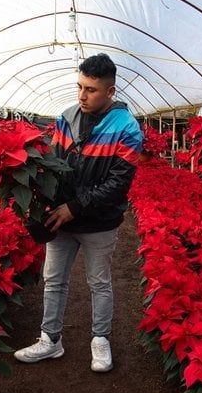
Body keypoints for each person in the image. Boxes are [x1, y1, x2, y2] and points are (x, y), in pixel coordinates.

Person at [14, 53, 144, 372]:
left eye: (91, 90)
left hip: (99, 222)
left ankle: (100, 340)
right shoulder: (66, 117)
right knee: (54, 280)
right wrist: (39, 196)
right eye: (80, 87)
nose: (82, 96)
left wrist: (74, 207)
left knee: (98, 282)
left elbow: (117, 184)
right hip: (61, 218)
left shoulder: (127, 129)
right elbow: (54, 167)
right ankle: (50, 341)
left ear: (110, 91)